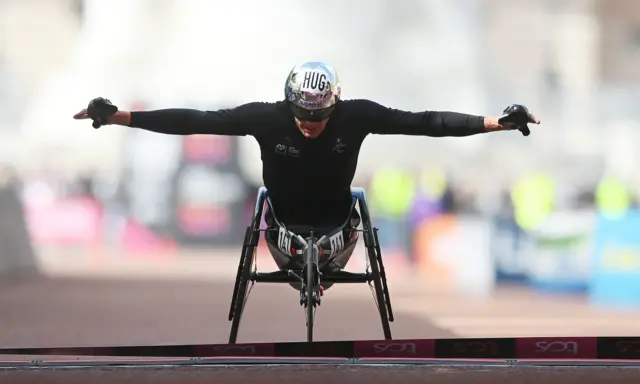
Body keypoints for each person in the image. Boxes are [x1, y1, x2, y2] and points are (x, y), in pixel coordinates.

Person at [73, 61, 540, 277]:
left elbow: (425, 123)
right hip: (280, 219)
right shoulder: (265, 117)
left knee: (355, 195)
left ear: (333, 105)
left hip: (340, 217)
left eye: (319, 118)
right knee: (264, 188)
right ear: (289, 102)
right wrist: (118, 117)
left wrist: (495, 123)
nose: (310, 126)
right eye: (302, 117)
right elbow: (195, 121)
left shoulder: (356, 115)